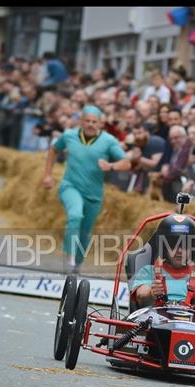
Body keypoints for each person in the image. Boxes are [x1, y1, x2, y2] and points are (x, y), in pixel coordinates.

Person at [42, 105, 133, 273]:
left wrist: (111, 166)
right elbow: (54, 150)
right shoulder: (69, 135)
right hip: (70, 186)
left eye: (94, 122)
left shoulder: (108, 141)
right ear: (81, 121)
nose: (90, 124)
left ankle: (76, 265)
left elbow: (126, 163)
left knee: (85, 232)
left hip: (93, 194)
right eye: (87, 121)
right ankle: (69, 257)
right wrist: (48, 175)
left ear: (100, 123)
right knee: (75, 215)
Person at [130, 215, 195, 310]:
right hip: (154, 321)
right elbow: (141, 297)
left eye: (185, 245)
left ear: (191, 249)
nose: (179, 250)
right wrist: (152, 293)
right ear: (164, 248)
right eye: (173, 245)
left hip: (192, 321)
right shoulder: (148, 271)